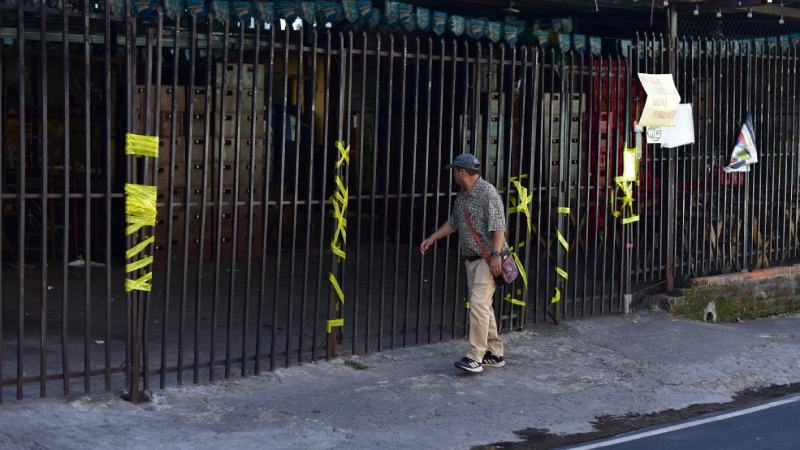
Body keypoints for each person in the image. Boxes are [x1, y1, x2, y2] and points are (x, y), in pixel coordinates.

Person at [419, 153, 507, 374]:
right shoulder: (463, 195)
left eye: (455, 171)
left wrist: (496, 256)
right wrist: (433, 238)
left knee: (478, 304)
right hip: (473, 260)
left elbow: (499, 227)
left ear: (462, 172)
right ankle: (494, 353)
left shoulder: (487, 192)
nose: (453, 175)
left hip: (487, 260)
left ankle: (475, 356)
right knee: (483, 305)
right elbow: (454, 222)